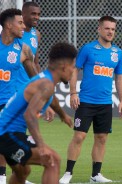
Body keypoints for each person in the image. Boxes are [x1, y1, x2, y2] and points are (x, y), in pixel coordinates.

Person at [59, 15, 122, 183]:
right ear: (99, 29)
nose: (110, 32)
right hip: (86, 102)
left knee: (101, 138)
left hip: (105, 103)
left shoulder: (118, 53)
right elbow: (75, 70)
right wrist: (73, 93)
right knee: (79, 136)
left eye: (113, 29)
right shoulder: (88, 49)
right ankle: (68, 173)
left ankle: (95, 175)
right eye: (107, 28)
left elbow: (119, 78)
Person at [0, 41, 77, 184]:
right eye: (73, 66)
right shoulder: (46, 85)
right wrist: (41, 146)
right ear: (64, 67)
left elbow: (52, 100)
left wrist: (63, 115)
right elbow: (29, 115)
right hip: (6, 134)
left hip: (7, 133)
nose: (73, 71)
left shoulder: (45, 80)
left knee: (23, 172)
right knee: (52, 160)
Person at [0, 8, 38, 184]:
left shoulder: (23, 49)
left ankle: (14, 176)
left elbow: (35, 77)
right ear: (8, 25)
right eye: (20, 23)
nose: (23, 26)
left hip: (10, 103)